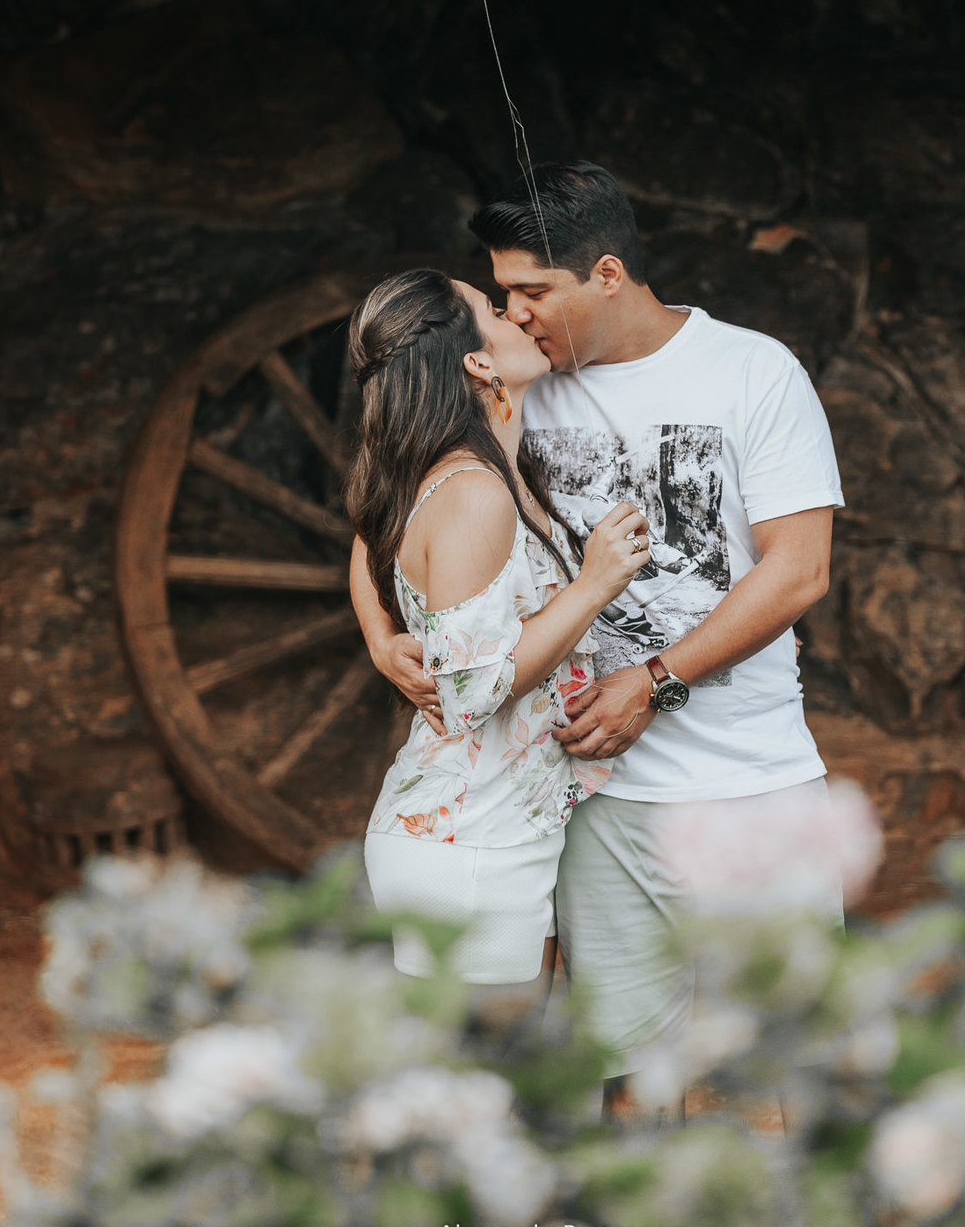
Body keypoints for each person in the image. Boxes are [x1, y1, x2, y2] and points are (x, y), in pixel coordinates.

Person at [359, 165, 845, 1112]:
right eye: (502, 298)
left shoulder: (754, 371)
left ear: (609, 274)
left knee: (781, 1075)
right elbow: (382, 504)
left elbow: (799, 571)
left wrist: (655, 680)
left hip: (757, 781)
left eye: (533, 293)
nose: (517, 315)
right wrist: (381, 633)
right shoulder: (515, 387)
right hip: (596, 807)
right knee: (625, 1080)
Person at [346, 266, 652, 1016]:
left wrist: (382, 637)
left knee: (499, 1088)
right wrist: (594, 582)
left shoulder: (472, 470)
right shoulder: (475, 493)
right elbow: (471, 691)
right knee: (484, 1096)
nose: (515, 312)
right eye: (492, 309)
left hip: (495, 832)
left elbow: (366, 539)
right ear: (479, 363)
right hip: (470, 845)